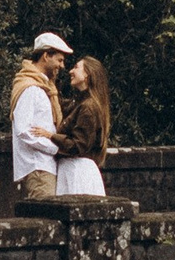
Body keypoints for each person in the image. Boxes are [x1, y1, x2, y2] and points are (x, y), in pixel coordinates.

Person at [11, 33, 73, 200]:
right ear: (46, 56)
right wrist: (54, 148)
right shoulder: (31, 89)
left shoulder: (44, 88)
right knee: (45, 218)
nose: (62, 66)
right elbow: (23, 130)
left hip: (45, 165)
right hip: (38, 166)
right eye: (59, 60)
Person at [55, 55, 112, 196]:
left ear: (87, 75)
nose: (70, 71)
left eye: (76, 67)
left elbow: (78, 146)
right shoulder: (79, 103)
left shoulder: (88, 107)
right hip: (72, 169)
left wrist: (51, 136)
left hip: (78, 171)